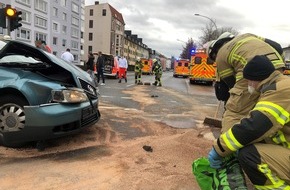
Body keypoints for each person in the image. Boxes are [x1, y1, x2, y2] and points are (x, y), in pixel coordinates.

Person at [208, 55, 290, 189]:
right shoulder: (280, 85)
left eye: (248, 81)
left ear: (254, 79)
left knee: (250, 155)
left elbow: (255, 126)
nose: (247, 85)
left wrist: (219, 148)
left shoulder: (279, 90)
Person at [206, 32, 285, 132]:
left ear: (213, 53)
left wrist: (235, 99)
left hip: (252, 72)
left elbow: (231, 84)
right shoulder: (248, 36)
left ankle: (227, 143)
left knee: (236, 110)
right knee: (272, 103)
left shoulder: (221, 55)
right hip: (278, 67)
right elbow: (277, 46)